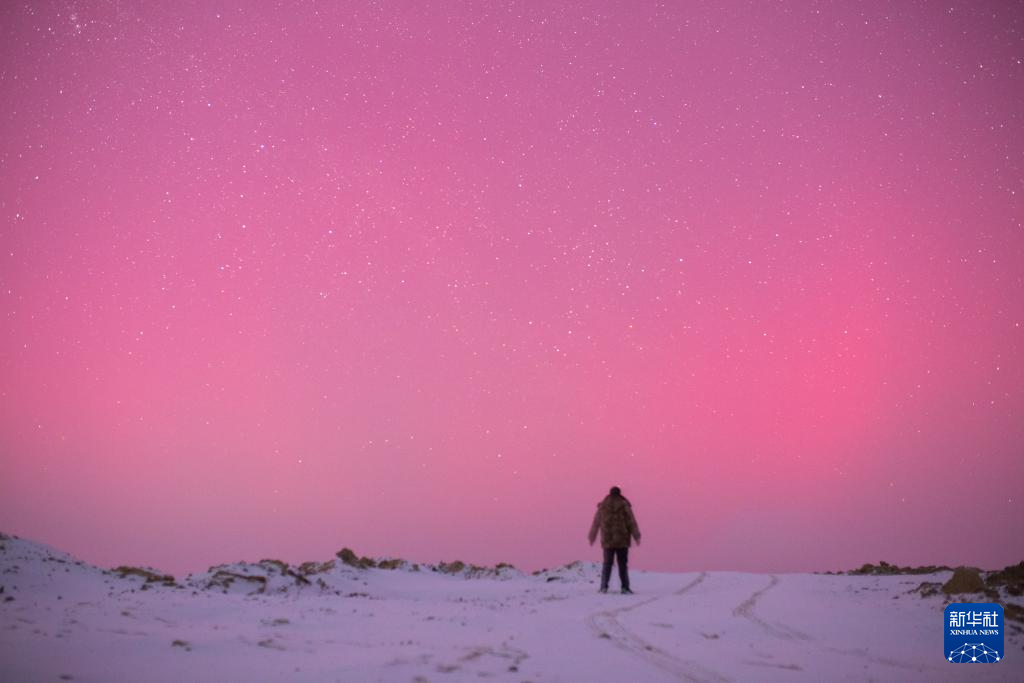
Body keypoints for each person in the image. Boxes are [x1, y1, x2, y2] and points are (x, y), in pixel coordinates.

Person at [587, 486, 641, 594]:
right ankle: (625, 587)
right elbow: (631, 521)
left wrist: (592, 536)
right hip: (622, 540)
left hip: (608, 541)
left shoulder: (603, 506)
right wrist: (637, 536)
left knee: (607, 564)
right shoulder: (624, 504)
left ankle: (603, 587)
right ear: (619, 493)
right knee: (622, 565)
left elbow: (596, 522)